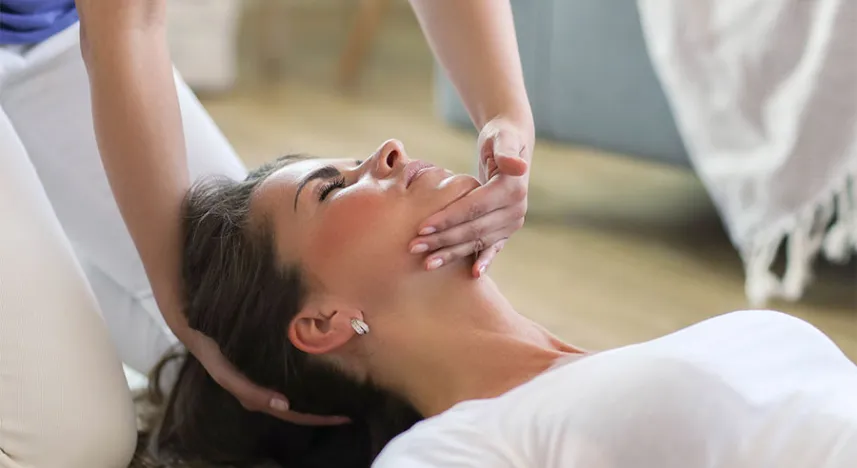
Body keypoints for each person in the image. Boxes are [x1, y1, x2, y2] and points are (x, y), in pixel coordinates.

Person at [1, 2, 533, 465]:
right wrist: (181, 306)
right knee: (69, 445)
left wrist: (505, 113)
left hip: (47, 25)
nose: (391, 149)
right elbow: (127, 21)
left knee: (226, 363)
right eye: (332, 185)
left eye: (334, 185)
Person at [130, 141, 857, 467]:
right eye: (332, 188)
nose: (386, 151)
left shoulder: (596, 373)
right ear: (321, 323)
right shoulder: (454, 449)